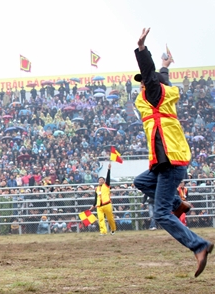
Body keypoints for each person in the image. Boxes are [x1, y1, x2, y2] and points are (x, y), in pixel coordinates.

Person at [131, 27, 213, 277]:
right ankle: (180, 203)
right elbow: (161, 78)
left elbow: (152, 76)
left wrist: (143, 50)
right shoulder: (159, 95)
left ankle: (199, 245)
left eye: (144, 79)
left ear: (152, 82)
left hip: (170, 160)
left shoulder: (155, 94)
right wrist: (166, 65)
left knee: (162, 215)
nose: (142, 82)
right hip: (165, 159)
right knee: (141, 181)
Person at [91, 162, 116, 236]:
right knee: (100, 219)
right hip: (99, 206)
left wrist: (109, 169)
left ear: (104, 181)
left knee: (110, 218)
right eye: (99, 180)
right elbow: (96, 197)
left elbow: (108, 177)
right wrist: (93, 205)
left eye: (102, 180)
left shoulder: (106, 185)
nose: (100, 181)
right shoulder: (96, 188)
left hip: (107, 204)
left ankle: (113, 229)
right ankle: (103, 231)